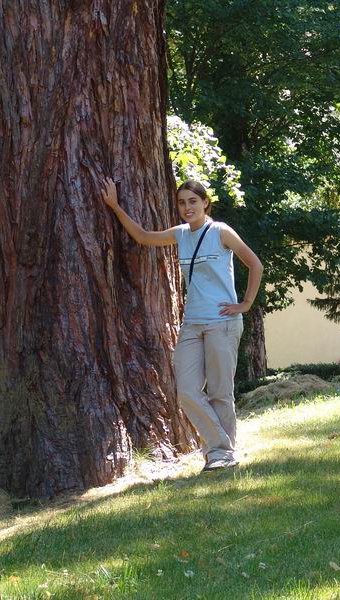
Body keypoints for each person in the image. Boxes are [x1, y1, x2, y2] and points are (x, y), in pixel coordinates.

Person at [101, 177, 263, 472]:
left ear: (205, 203)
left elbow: (255, 264)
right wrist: (114, 206)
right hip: (192, 324)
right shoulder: (181, 235)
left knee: (219, 392)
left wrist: (246, 303)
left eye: (192, 201)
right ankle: (221, 447)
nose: (187, 207)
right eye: (182, 202)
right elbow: (143, 236)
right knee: (186, 391)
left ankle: (221, 455)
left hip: (222, 323)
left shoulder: (220, 232)